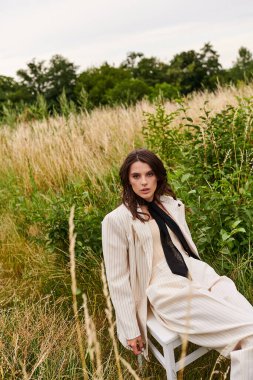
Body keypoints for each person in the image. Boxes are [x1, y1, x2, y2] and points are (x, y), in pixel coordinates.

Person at [102, 148, 253, 379]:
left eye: (149, 174)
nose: (144, 182)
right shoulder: (117, 220)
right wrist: (131, 330)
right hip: (164, 288)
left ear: (158, 176)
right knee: (249, 332)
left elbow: (183, 246)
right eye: (136, 176)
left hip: (197, 272)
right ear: (127, 180)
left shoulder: (170, 204)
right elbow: (117, 280)